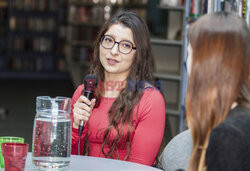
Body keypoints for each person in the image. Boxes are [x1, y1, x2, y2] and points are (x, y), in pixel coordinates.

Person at [70, 11, 166, 166]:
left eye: (126, 45)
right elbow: (70, 160)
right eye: (108, 40)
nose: (113, 51)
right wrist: (76, 128)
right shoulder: (83, 93)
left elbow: (139, 167)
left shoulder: (150, 100)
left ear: (138, 54)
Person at [186, 12, 250, 171]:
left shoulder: (228, 136)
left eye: (189, 54)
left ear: (206, 63)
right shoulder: (241, 118)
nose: (187, 63)